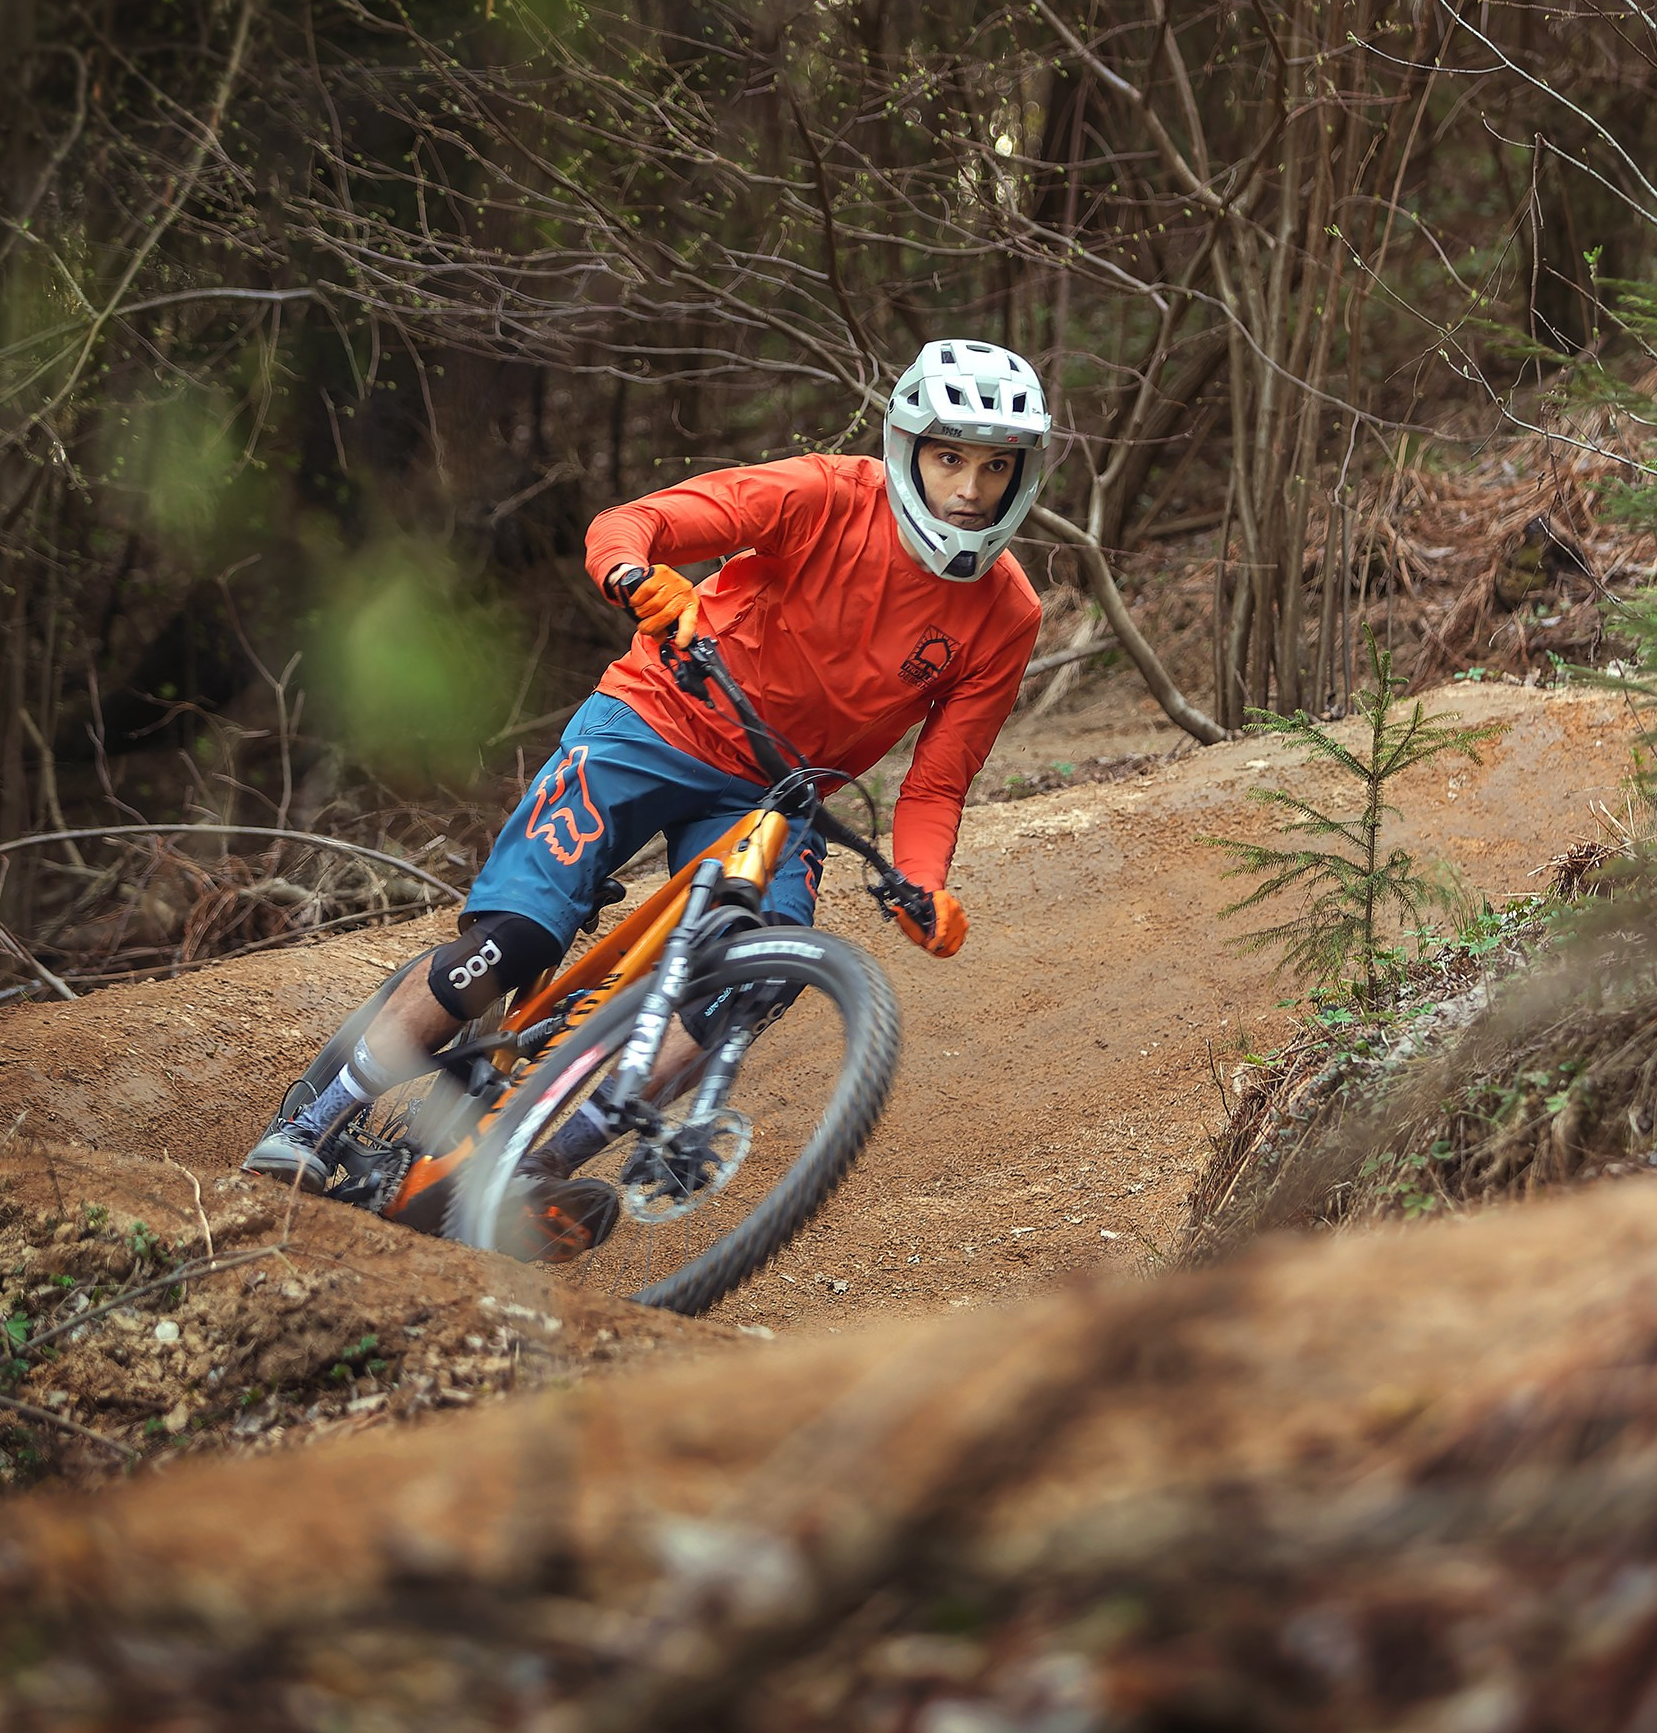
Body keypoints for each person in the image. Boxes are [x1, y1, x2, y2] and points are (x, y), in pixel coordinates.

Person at [242, 338, 1052, 1244]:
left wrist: (923, 880)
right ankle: (306, 1124)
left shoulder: (1008, 613)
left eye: (994, 467)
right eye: (950, 458)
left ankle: (530, 1162)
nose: (970, 490)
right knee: (514, 941)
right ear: (909, 448)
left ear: (1021, 474)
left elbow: (939, 780)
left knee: (761, 972)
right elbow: (637, 523)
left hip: (774, 798)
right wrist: (633, 575)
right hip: (654, 719)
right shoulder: (824, 493)